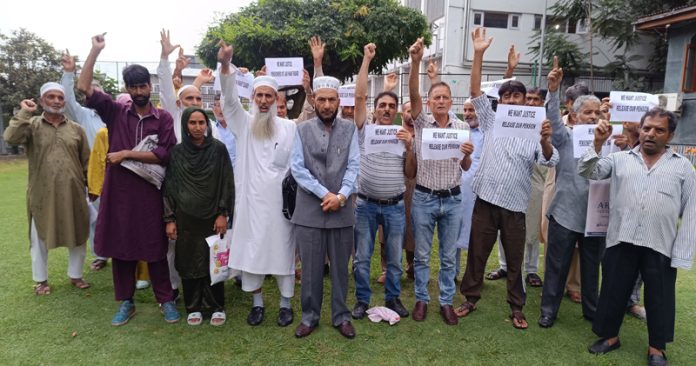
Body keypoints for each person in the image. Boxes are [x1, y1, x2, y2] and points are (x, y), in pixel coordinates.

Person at [457, 28, 558, 330]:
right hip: (486, 199)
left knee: (515, 261)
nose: (513, 98)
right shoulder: (491, 119)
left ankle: (517, 307)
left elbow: (550, 158)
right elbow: (475, 91)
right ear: (500, 100)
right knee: (477, 253)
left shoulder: (536, 127)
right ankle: (470, 298)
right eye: (508, 94)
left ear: (527, 101)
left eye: (519, 95)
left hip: (515, 205)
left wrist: (544, 141)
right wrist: (478, 53)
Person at [78, 33, 180, 325]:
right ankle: (126, 302)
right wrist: (94, 50)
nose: (139, 91)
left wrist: (125, 154)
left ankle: (166, 300)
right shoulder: (115, 112)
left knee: (155, 246)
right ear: (127, 88)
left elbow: (164, 153)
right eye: (133, 86)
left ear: (150, 86)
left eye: (143, 85)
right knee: (122, 249)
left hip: (150, 193)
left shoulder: (163, 119)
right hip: (119, 193)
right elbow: (84, 87)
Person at [580, 109, 695, 366]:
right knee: (613, 290)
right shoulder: (619, 159)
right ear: (639, 130)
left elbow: (691, 211)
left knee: (660, 296)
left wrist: (682, 253)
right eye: (646, 128)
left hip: (660, 242)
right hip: (622, 237)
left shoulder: (683, 166)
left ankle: (657, 348)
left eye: (659, 130)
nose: (650, 134)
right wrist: (597, 144)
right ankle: (610, 337)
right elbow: (589, 172)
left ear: (671, 135)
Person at [217, 41, 298, 327]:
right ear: (252, 97)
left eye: (269, 96)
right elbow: (228, 102)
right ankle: (258, 304)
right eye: (259, 95)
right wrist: (226, 65)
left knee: (283, 253)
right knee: (253, 255)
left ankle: (286, 305)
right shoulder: (244, 124)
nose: (264, 100)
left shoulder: (290, 128)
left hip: (281, 208)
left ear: (276, 100)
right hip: (251, 205)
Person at [407, 38, 473, 326]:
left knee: (448, 257)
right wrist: (415, 63)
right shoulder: (421, 124)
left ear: (451, 100)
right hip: (424, 197)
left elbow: (466, 165)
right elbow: (413, 94)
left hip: (453, 198)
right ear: (430, 102)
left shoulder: (462, 127)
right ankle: (422, 299)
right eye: (437, 98)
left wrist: (468, 155)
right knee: (421, 255)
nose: (442, 101)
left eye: (446, 97)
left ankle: (445, 301)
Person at [3, 83, 91, 295]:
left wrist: (92, 186)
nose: (56, 101)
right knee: (39, 236)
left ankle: (76, 275)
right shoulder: (31, 125)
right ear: (42, 101)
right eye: (51, 97)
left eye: (60, 97)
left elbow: (86, 161)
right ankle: (41, 280)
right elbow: (10, 138)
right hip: (42, 193)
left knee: (78, 233)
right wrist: (24, 111)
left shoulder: (76, 129)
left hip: (73, 192)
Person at [291, 74, 360, 339]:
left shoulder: (350, 128)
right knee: (310, 269)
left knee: (341, 268)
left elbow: (354, 165)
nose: (327, 105)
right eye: (322, 100)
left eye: (332, 100)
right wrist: (325, 194)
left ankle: (341, 316)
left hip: (342, 210)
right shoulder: (302, 130)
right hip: (309, 210)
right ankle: (309, 317)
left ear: (339, 101)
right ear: (314, 100)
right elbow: (297, 168)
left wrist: (341, 196)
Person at [538, 59, 606, 328]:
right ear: (575, 116)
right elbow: (552, 120)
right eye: (588, 112)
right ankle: (548, 311)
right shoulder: (565, 137)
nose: (593, 117)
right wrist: (553, 91)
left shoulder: (610, 139)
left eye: (597, 113)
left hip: (595, 215)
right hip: (565, 212)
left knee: (591, 268)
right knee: (556, 267)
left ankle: (592, 311)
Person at [350, 44, 416, 320]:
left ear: (397, 110)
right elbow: (359, 94)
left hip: (394, 206)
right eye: (382, 106)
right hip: (365, 204)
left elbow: (411, 173)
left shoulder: (403, 134)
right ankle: (362, 300)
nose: (387, 110)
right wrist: (366, 59)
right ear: (375, 110)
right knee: (362, 257)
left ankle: (393, 298)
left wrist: (411, 147)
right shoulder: (365, 129)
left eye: (391, 106)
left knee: (394, 259)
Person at [163, 107, 234, 326]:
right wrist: (170, 219)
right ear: (185, 125)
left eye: (201, 122)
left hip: (212, 216)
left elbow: (226, 183)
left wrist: (223, 213)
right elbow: (170, 188)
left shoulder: (218, 149)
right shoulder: (176, 153)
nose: (197, 127)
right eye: (192, 123)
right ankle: (193, 306)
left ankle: (216, 305)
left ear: (207, 124)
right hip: (185, 219)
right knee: (188, 261)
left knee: (214, 260)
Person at [487, 86, 548, 286]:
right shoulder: (508, 119)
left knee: (530, 228)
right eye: (528, 99)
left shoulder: (542, 123)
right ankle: (504, 266)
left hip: (535, 181)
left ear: (541, 103)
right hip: (509, 182)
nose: (531, 103)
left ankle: (531, 269)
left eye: (535, 100)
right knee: (504, 226)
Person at [60, 50, 108, 271]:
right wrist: (69, 73)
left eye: (99, 92)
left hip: (122, 172)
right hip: (95, 175)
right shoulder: (84, 115)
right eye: (91, 92)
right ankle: (101, 254)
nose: (95, 95)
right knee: (96, 216)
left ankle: (128, 255)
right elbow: (67, 100)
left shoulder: (118, 113)